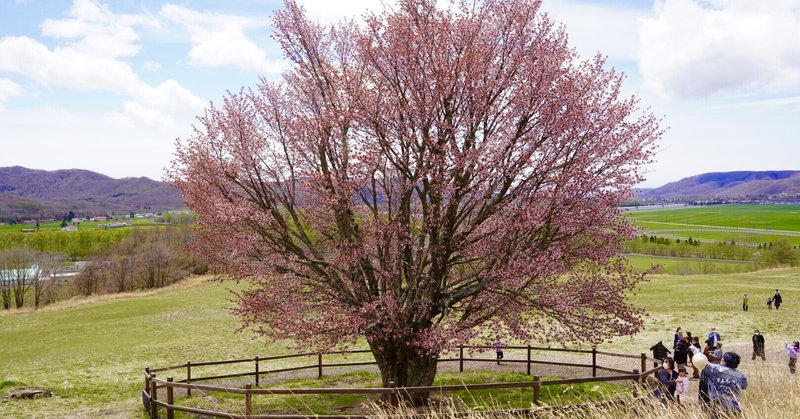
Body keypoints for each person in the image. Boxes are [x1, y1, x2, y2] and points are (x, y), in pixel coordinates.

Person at [689, 347, 748, 418]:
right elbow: (744, 387)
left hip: (718, 409)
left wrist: (694, 349)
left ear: (724, 361)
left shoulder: (715, 369)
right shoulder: (741, 376)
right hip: (735, 409)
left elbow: (701, 360)